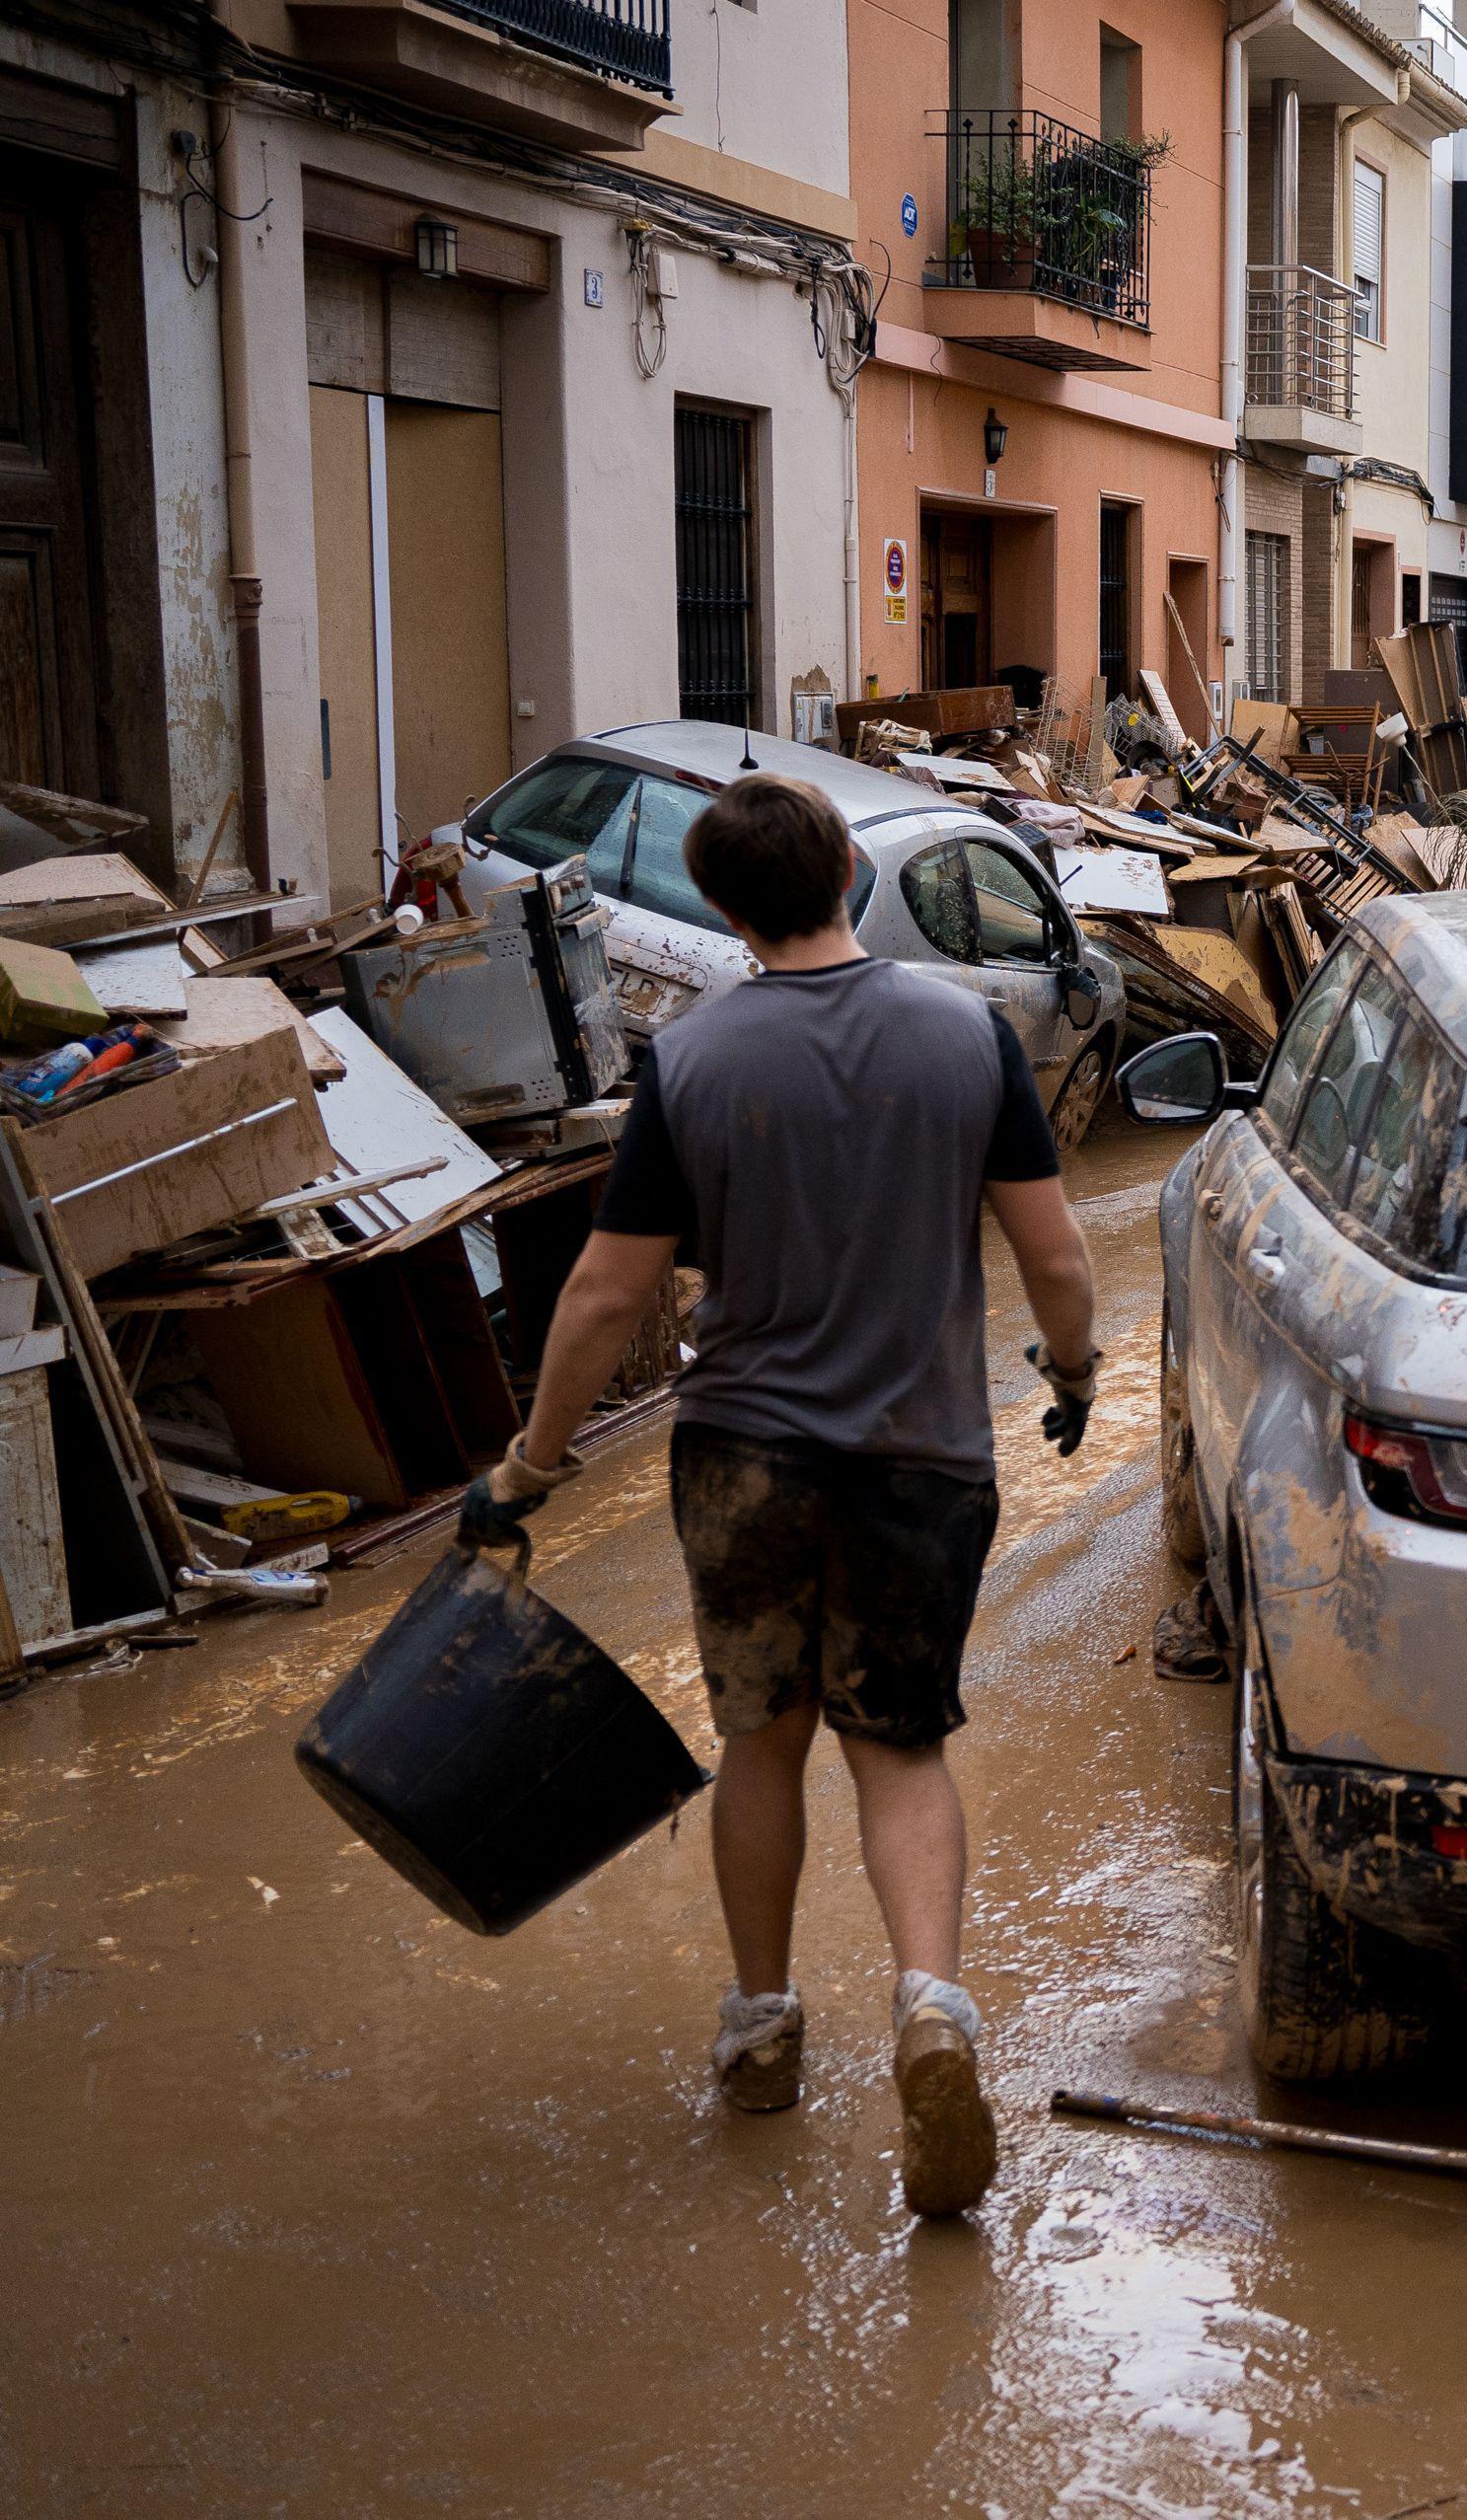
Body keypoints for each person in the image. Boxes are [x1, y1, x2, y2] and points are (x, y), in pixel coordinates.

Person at [466, 772, 1100, 2221]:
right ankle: (931, 2004)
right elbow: (1058, 1262)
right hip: (922, 1456)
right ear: (844, 881)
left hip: (744, 1456)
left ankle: (763, 2025)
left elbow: (605, 1291)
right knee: (903, 1748)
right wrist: (1070, 1377)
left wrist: (531, 1468)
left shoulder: (690, 1064)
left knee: (761, 1740)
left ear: (727, 909)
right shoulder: (968, 1036)